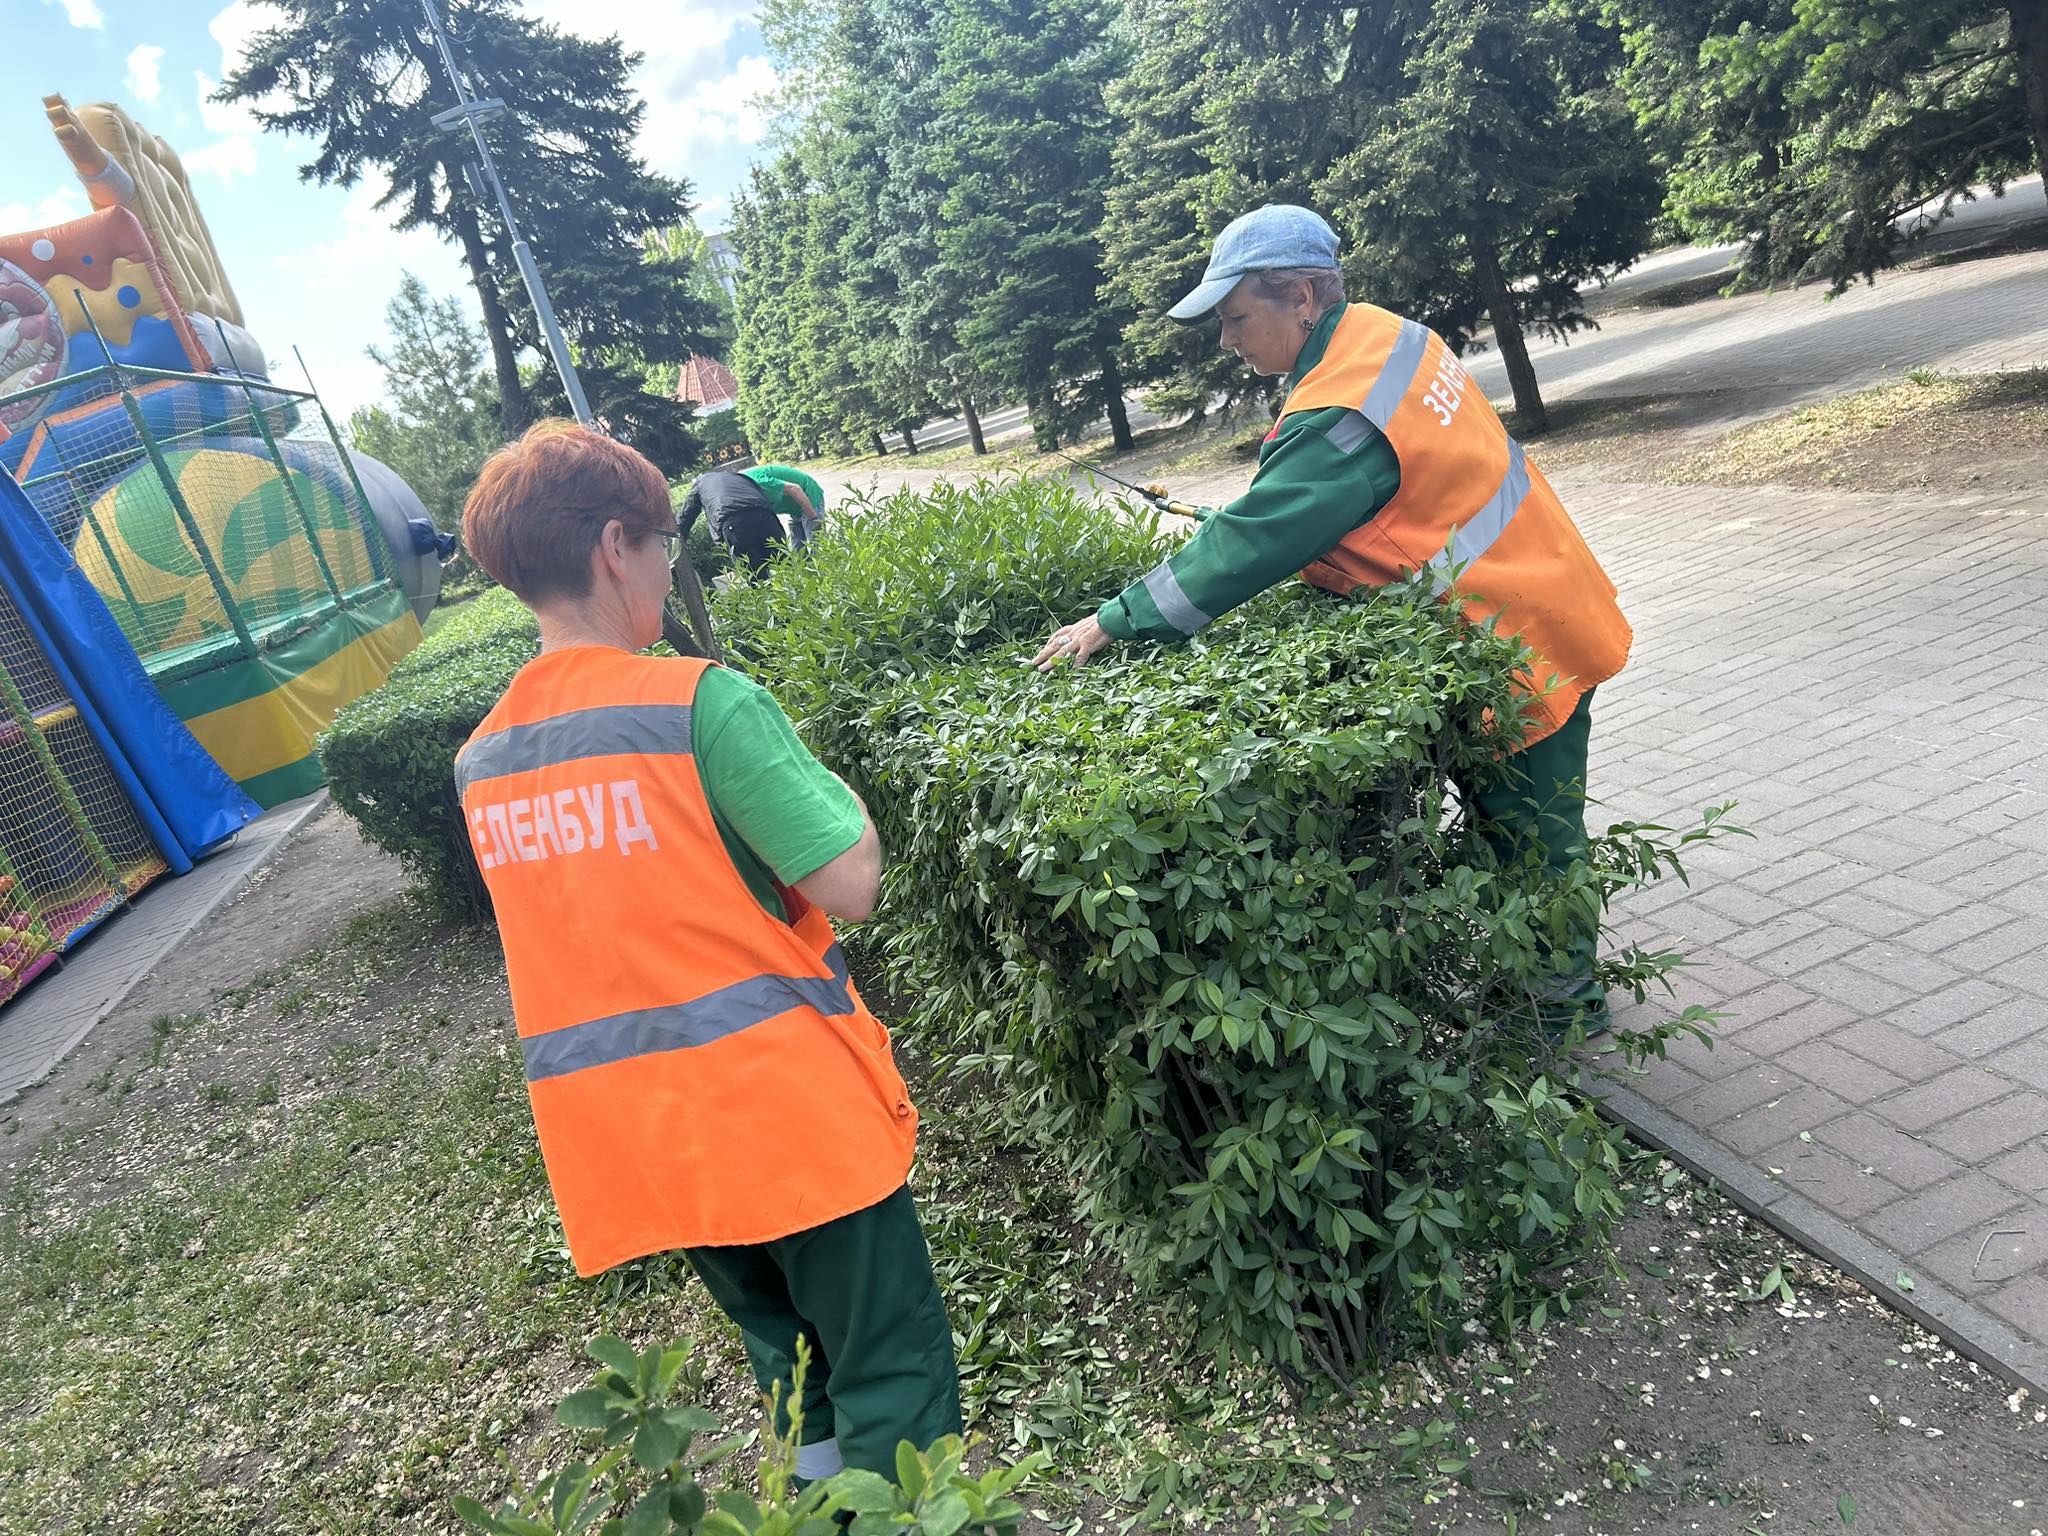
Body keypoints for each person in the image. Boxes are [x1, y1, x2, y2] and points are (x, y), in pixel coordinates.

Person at [454, 420, 961, 1478]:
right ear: (611, 547)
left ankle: (821, 1509)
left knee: (792, 1367)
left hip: (647, 1142)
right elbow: (849, 882)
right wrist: (837, 796)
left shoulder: (484, 760)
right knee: (887, 1365)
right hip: (786, 1119)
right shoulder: (695, 701)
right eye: (656, 546)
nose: (661, 568)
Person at [1030, 205, 1632, 1038]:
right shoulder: (1385, 336)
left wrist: (1114, 622)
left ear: (1302, 296)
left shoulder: (1342, 410)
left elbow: (1253, 541)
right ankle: (1534, 988)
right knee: (1521, 830)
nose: (1225, 340)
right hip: (1537, 594)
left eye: (1236, 317)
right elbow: (1365, 497)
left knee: (1534, 840)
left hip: (1513, 639)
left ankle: (1563, 1017)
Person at [679, 467, 789, 575]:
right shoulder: (738, 477)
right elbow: (761, 495)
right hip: (764, 515)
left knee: (756, 576)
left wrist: (675, 543)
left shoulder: (700, 484)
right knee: (788, 568)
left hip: (734, 521)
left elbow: (685, 516)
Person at [742, 463, 827, 548]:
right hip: (794, 509)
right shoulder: (742, 490)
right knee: (797, 550)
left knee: (816, 547)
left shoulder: (761, 482)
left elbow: (795, 489)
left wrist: (813, 518)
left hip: (809, 498)